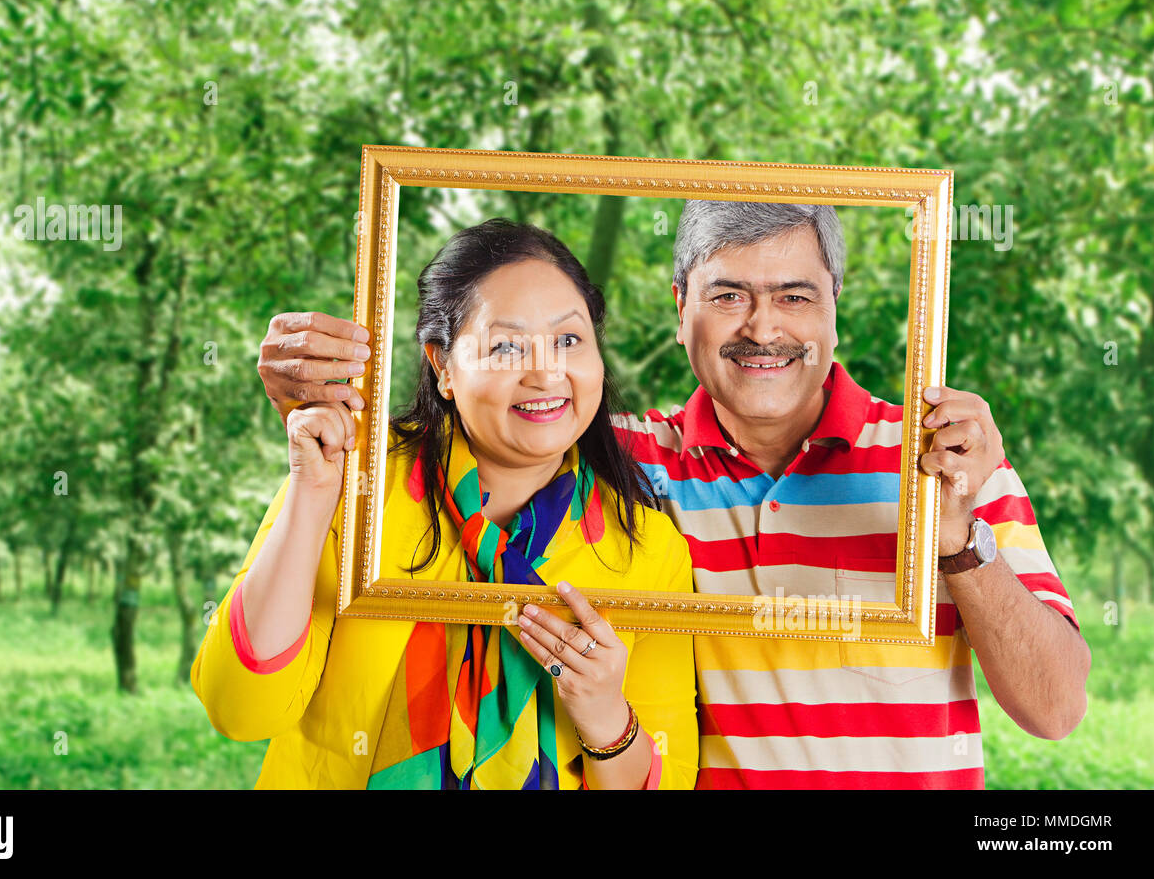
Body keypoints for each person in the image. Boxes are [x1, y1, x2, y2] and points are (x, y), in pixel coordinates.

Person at [256, 200, 1090, 789]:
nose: (762, 328)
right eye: (728, 295)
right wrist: (317, 399)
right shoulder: (618, 462)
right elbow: (465, 433)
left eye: (795, 295)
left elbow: (1056, 710)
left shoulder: (945, 461)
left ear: (837, 310)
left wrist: (957, 542)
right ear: (679, 307)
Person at [193, 218, 698, 789]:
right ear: (442, 367)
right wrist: (312, 497)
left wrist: (605, 715)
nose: (546, 372)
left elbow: (671, 776)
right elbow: (240, 710)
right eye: (506, 345)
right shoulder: (356, 483)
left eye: (568, 339)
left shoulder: (648, 550)